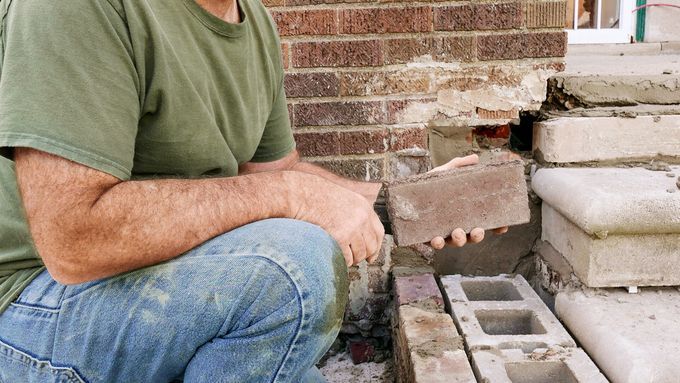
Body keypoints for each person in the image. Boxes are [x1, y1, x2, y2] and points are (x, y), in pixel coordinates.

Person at [0, 0, 506, 381]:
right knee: (292, 272)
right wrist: (292, 196)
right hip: (33, 302)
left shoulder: (253, 21)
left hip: (156, 287)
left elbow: (269, 174)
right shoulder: (78, 7)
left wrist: (402, 204)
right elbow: (72, 239)